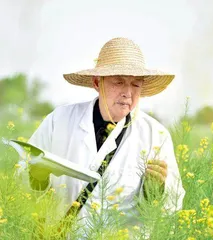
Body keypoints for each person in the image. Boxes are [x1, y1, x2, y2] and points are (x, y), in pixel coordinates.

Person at [27, 37, 185, 236]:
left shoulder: (156, 135)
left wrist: (154, 190)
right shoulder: (59, 121)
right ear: (96, 82)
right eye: (119, 82)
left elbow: (172, 206)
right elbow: (22, 186)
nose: (128, 93)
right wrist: (36, 178)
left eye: (136, 85)